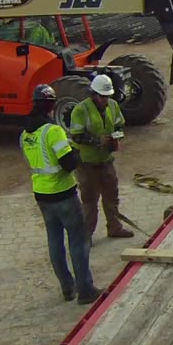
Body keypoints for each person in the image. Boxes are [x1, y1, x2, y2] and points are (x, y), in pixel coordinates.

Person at [21, 84, 100, 303]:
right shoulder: (53, 131)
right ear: (50, 105)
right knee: (78, 240)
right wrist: (74, 151)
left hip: (41, 194)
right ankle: (85, 290)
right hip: (62, 193)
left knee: (54, 241)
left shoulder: (26, 134)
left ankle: (67, 288)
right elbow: (67, 164)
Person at [68, 73, 134, 240]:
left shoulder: (112, 106)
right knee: (90, 201)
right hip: (86, 162)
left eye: (107, 96)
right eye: (102, 97)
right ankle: (86, 236)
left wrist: (116, 136)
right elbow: (76, 135)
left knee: (112, 195)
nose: (105, 100)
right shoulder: (80, 110)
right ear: (94, 94)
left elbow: (120, 124)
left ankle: (115, 227)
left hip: (105, 159)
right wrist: (97, 140)